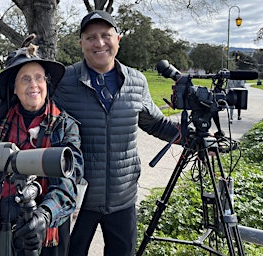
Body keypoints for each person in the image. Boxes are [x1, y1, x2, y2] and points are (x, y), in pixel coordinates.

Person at [52, 10, 180, 255]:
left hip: (123, 197)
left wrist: (190, 137)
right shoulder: (63, 81)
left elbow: (155, 123)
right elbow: (30, 103)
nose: (99, 43)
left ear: (118, 39)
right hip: (77, 199)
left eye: (105, 35)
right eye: (90, 37)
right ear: (81, 44)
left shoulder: (137, 81)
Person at [0, 39, 84, 256]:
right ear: (14, 87)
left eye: (39, 78)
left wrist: (45, 216)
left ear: (47, 84)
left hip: (43, 233)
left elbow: (70, 182)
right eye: (25, 79)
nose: (33, 85)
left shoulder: (65, 126)